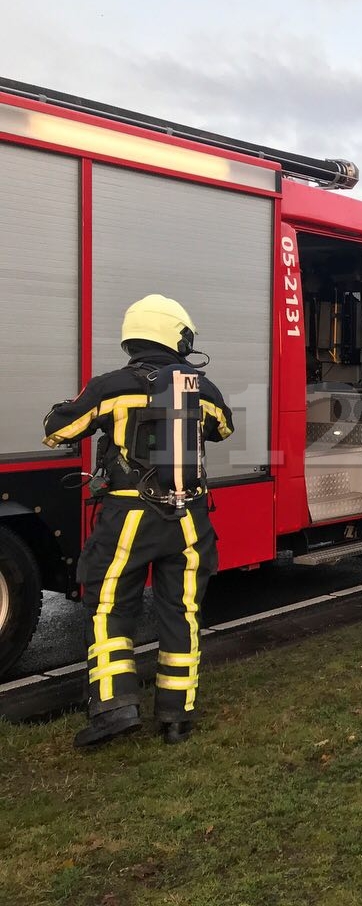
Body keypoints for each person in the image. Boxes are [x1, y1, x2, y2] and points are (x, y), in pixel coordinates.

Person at [43, 295, 234, 747]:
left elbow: (57, 431)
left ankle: (114, 707)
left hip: (129, 518)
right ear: (176, 336)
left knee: (110, 606)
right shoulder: (202, 388)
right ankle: (176, 715)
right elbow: (224, 428)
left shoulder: (110, 386)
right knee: (181, 611)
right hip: (189, 519)